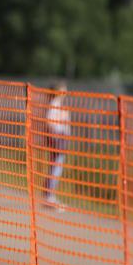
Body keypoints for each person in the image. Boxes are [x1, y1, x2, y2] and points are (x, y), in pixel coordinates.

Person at [43, 81, 71, 210]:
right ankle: (49, 196)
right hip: (57, 137)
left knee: (56, 167)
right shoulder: (54, 104)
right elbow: (50, 121)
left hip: (60, 137)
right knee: (55, 167)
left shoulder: (58, 105)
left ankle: (49, 195)